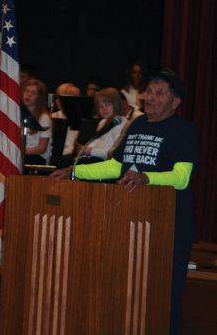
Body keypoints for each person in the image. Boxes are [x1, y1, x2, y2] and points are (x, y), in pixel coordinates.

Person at [51, 69, 199, 335]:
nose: (150, 98)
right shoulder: (138, 125)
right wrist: (76, 172)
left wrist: (145, 177)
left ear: (175, 102)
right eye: (149, 92)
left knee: (163, 299)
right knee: (131, 297)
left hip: (169, 229)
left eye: (159, 93)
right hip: (132, 224)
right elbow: (117, 166)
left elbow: (182, 177)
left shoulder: (184, 131)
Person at [76, 87, 128, 163]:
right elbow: (95, 142)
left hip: (106, 162)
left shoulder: (120, 123)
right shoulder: (102, 122)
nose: (104, 109)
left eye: (107, 105)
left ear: (116, 104)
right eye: (101, 106)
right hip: (96, 159)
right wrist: (84, 148)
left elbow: (116, 152)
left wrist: (90, 151)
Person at [21, 79, 52, 165]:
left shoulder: (44, 118)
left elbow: (42, 148)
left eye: (33, 93)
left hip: (38, 157)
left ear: (39, 97)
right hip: (23, 153)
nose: (29, 94)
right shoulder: (18, 114)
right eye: (26, 91)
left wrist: (21, 151)